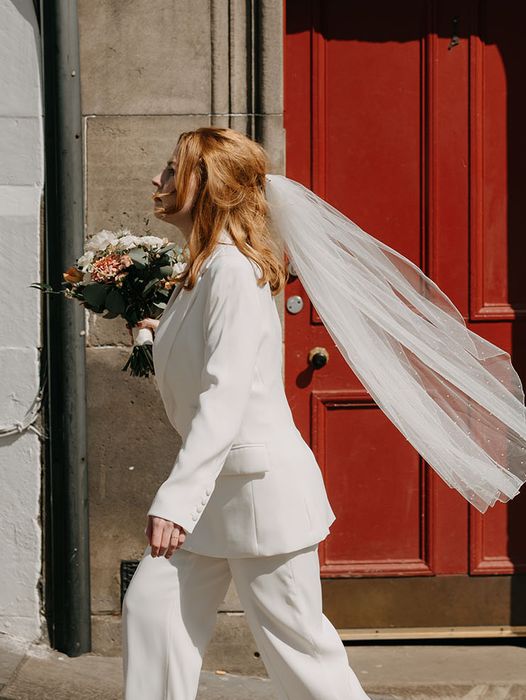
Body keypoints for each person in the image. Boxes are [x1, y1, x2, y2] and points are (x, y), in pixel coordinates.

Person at [121, 126, 370, 700]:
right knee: (150, 612)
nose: (154, 180)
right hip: (217, 498)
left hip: (258, 497)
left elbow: (225, 393)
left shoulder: (230, 271)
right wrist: (150, 338)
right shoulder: (202, 268)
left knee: (299, 652)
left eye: (168, 170)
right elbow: (206, 359)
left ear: (202, 186)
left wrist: (176, 501)